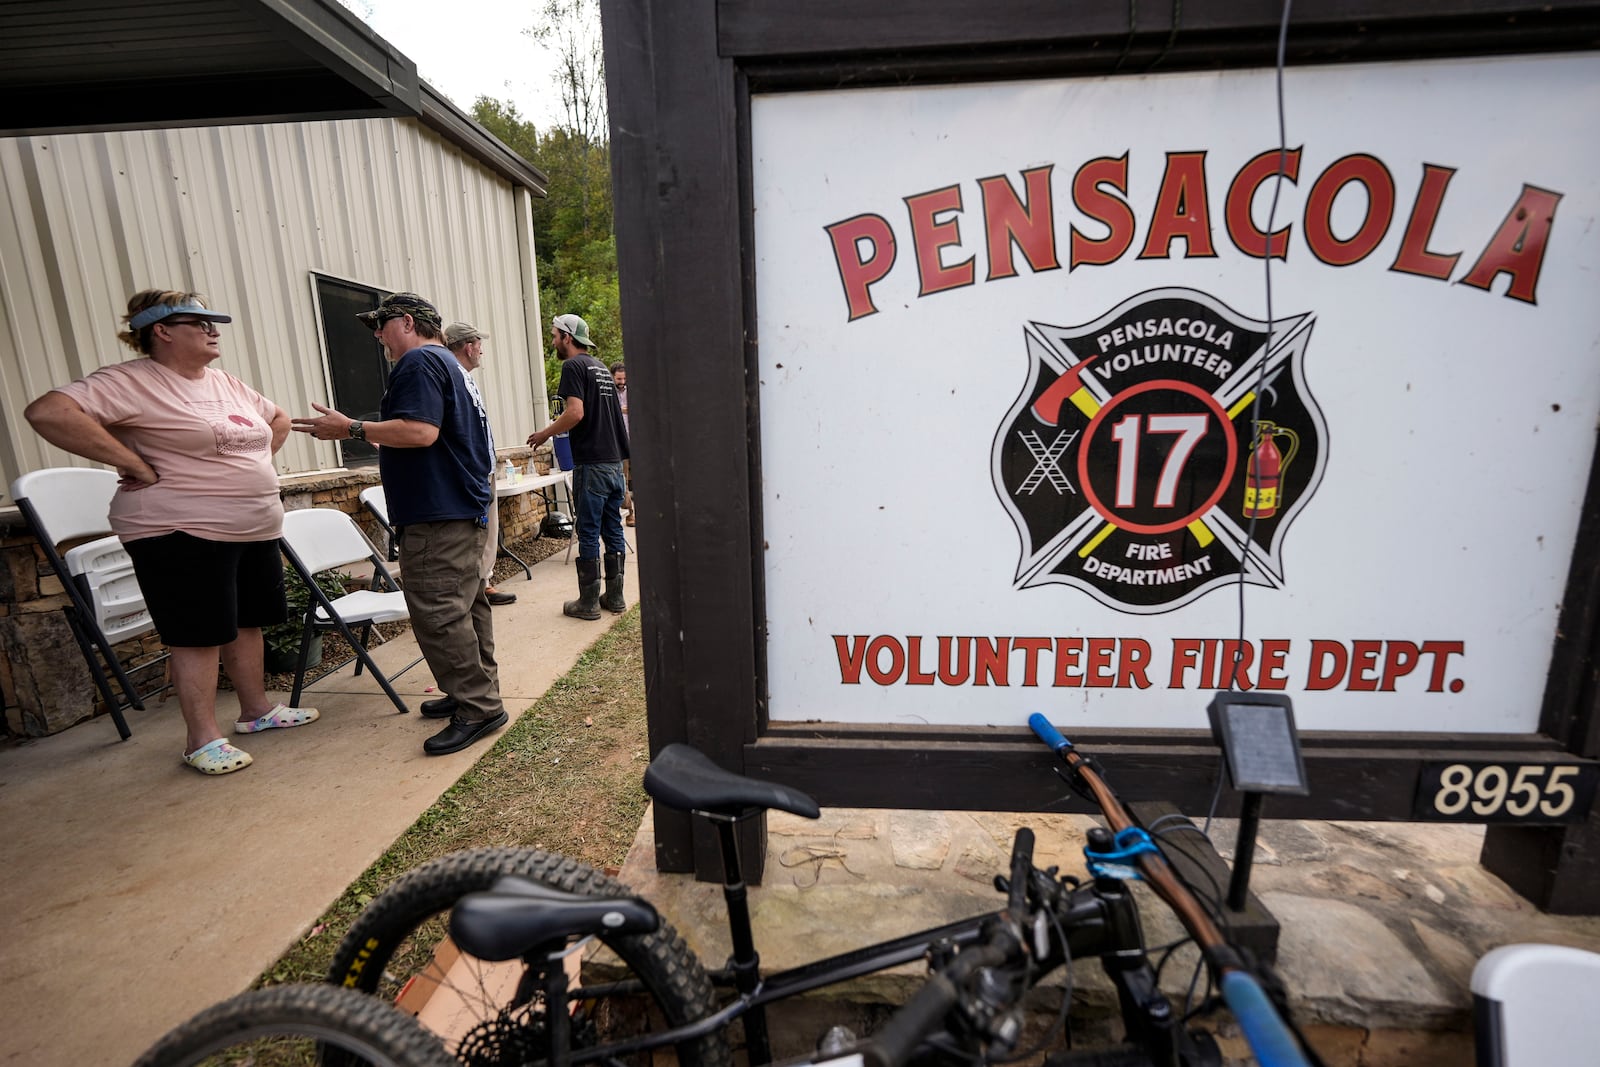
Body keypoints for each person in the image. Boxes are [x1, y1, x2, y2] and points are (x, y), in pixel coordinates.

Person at [22, 289, 316, 776]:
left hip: (252, 526)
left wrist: (254, 465)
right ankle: (201, 739)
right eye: (200, 323)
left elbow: (277, 417)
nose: (213, 331)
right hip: (180, 529)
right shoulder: (131, 382)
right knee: (196, 635)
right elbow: (48, 412)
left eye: (213, 323)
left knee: (247, 621)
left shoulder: (225, 382)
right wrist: (131, 462)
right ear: (161, 330)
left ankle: (257, 712)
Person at [292, 292, 507, 755]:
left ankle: (479, 706)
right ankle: (473, 692)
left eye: (381, 324)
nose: (376, 335)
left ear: (407, 322)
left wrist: (350, 428)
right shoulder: (451, 365)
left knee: (439, 613)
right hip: (462, 508)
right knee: (467, 607)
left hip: (437, 514)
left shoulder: (417, 364)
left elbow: (419, 431)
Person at [527, 314, 629, 619]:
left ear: (568, 338)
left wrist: (545, 433)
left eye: (556, 335)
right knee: (612, 529)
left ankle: (587, 604)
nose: (554, 341)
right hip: (613, 464)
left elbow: (575, 413)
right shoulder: (600, 368)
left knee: (587, 531)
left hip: (593, 464)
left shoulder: (572, 366)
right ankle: (615, 597)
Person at [444, 320, 516, 607]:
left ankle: (484, 582)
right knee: (478, 535)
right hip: (471, 475)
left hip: (484, 470)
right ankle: (478, 586)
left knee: (489, 533)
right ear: (467, 346)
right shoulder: (453, 376)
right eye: (478, 344)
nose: (481, 351)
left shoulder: (467, 378)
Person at [610, 360, 635, 528]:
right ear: (613, 377)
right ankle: (630, 514)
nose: (622, 382)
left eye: (624, 379)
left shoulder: (632, 390)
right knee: (623, 478)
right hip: (619, 441)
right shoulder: (609, 392)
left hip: (636, 439)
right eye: (619, 379)